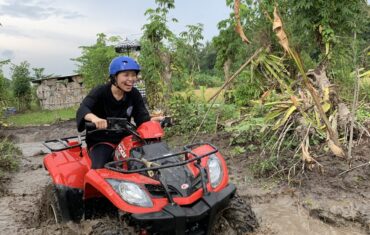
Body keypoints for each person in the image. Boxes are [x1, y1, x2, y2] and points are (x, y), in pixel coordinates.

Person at [76, 56, 162, 169]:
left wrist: (153, 121)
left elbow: (142, 117)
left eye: (133, 75)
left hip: (126, 138)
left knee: (153, 159)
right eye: (126, 75)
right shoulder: (100, 91)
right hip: (102, 140)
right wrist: (95, 119)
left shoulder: (134, 94)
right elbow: (83, 108)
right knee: (99, 168)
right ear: (114, 77)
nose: (131, 79)